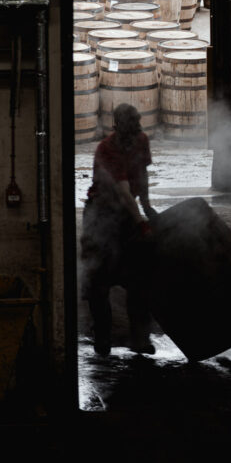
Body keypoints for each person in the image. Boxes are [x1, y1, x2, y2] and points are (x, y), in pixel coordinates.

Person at [80, 103, 157, 356]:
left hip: (126, 216)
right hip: (100, 217)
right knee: (99, 282)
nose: (134, 130)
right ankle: (102, 339)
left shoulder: (141, 140)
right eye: (129, 125)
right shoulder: (107, 148)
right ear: (118, 126)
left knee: (139, 278)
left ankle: (140, 339)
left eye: (137, 124)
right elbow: (124, 192)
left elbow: (142, 177)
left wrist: (147, 206)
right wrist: (142, 222)